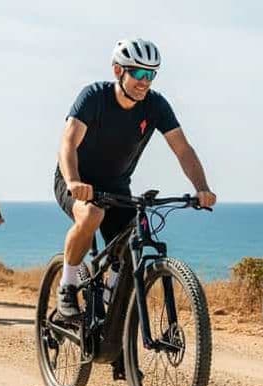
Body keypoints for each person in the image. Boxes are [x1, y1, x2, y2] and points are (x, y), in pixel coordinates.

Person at [54, 38, 217, 319]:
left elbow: (183, 149)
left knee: (133, 241)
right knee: (91, 215)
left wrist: (201, 188)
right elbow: (67, 143)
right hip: (76, 179)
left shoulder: (156, 106)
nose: (145, 81)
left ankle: (112, 311)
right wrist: (73, 181)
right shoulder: (94, 97)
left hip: (117, 187)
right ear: (118, 71)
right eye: (139, 73)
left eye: (151, 75)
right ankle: (67, 285)